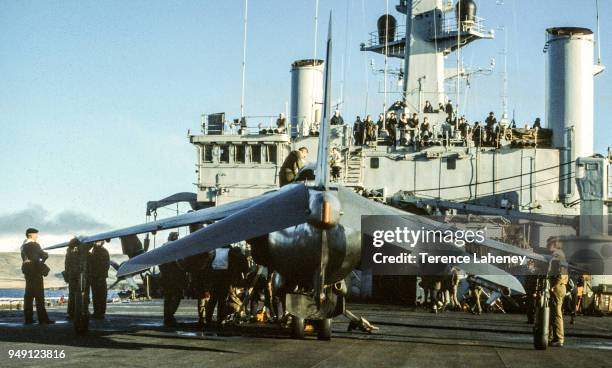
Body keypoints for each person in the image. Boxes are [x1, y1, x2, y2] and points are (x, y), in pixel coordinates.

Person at [21, 228, 54, 324]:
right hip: (35, 272)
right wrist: (44, 255)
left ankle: (28, 318)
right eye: (36, 234)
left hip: (27, 272)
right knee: (39, 296)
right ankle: (43, 319)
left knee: (29, 296)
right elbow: (41, 256)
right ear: (30, 235)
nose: (37, 236)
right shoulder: (34, 245)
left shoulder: (23, 246)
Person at [159, 232, 188, 326]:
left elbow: (160, 264)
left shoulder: (163, 247)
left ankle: (167, 316)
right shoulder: (177, 247)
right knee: (177, 296)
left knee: (167, 298)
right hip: (175, 277)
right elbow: (181, 263)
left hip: (165, 277)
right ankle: (170, 315)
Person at [547, 238, 568, 347]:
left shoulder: (558, 255)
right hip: (557, 287)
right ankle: (552, 337)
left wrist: (553, 287)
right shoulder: (557, 255)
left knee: (556, 313)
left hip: (557, 287)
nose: (547, 245)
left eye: (549, 243)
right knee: (552, 313)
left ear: (554, 244)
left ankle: (559, 338)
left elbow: (562, 273)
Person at [88, 240, 110, 320]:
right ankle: (98, 312)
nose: (96, 243)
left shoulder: (102, 251)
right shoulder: (96, 251)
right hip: (96, 277)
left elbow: (106, 265)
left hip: (100, 277)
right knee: (96, 296)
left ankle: (100, 313)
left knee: (100, 296)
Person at [64, 238, 81, 320]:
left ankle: (70, 313)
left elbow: (66, 265)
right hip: (77, 275)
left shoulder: (69, 252)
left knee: (72, 294)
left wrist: (67, 274)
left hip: (72, 275)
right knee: (78, 294)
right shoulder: (77, 252)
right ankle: (76, 312)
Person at [524, 258, 538, 324]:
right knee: (528, 306)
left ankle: (533, 319)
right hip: (528, 290)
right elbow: (526, 282)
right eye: (527, 265)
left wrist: (535, 291)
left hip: (533, 291)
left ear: (533, 265)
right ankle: (530, 319)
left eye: (529, 265)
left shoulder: (536, 272)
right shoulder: (527, 272)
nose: (528, 266)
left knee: (533, 306)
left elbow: (537, 283)